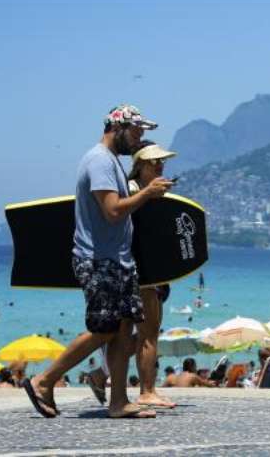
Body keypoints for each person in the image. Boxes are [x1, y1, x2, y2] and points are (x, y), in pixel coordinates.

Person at [24, 104, 171, 419]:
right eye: (135, 132)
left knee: (122, 329)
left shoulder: (112, 163)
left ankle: (118, 402)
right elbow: (113, 210)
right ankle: (43, 381)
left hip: (118, 259)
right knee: (103, 329)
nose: (138, 140)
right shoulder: (99, 161)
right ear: (116, 128)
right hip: (98, 259)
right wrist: (148, 194)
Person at [87, 140, 178, 409]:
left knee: (137, 335)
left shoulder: (147, 191)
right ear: (139, 166)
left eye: (162, 161)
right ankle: (147, 390)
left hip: (149, 272)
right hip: (137, 272)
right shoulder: (133, 191)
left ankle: (101, 373)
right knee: (147, 333)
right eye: (154, 162)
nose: (160, 165)